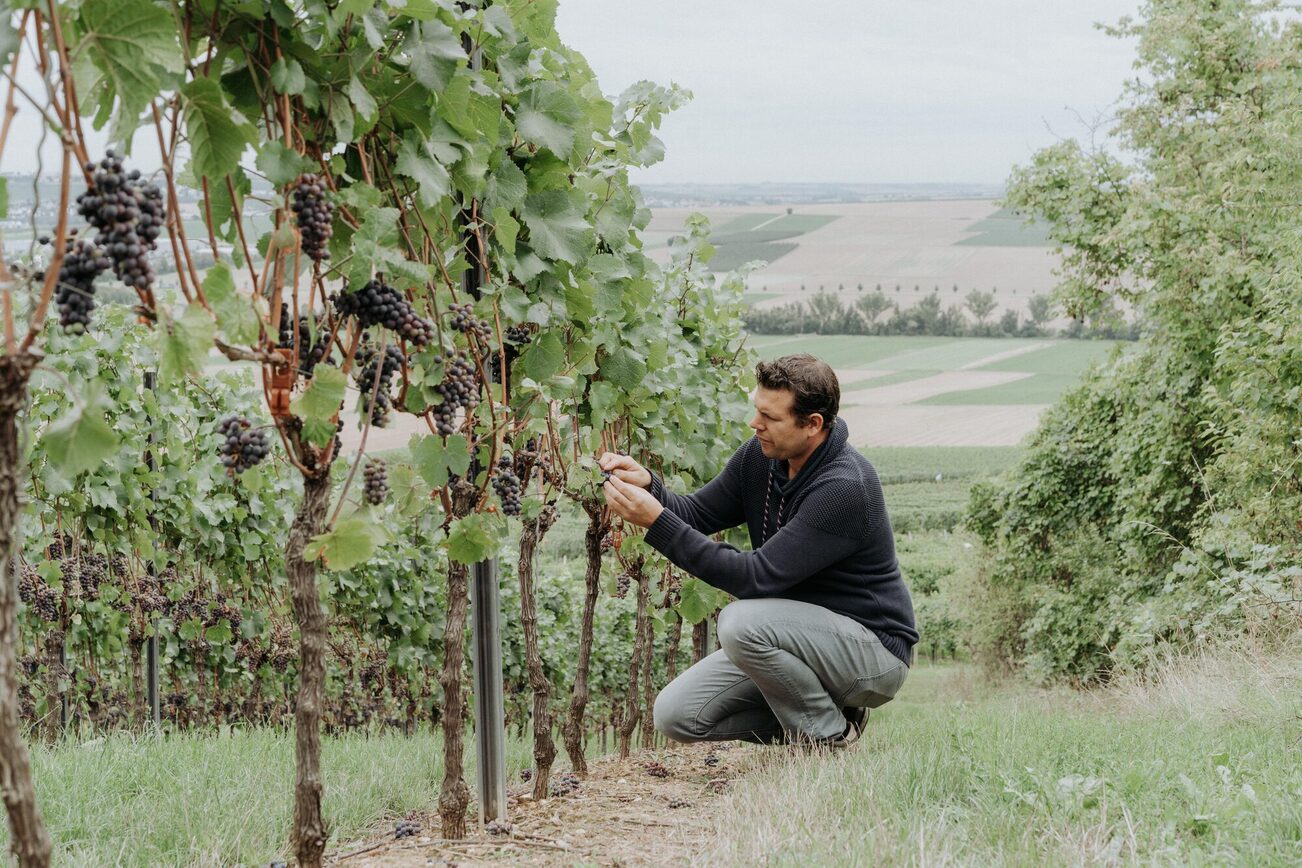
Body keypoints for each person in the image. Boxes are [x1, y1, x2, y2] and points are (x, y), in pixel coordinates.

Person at [600, 353, 917, 749]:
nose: (755, 424)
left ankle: (826, 738)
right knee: (677, 715)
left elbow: (756, 578)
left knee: (740, 622)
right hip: (798, 640)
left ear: (813, 424)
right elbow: (698, 513)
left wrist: (657, 524)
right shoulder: (761, 457)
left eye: (770, 417)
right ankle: (832, 716)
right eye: (756, 411)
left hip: (871, 654)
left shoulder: (844, 487)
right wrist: (649, 487)